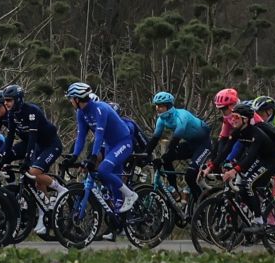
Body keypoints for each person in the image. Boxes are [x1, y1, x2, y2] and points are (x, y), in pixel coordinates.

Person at [66, 82, 136, 216]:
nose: (70, 101)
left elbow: (99, 134)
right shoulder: (80, 113)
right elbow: (81, 137)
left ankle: (130, 195)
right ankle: (118, 223)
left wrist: (93, 156)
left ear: (77, 98)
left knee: (103, 170)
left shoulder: (100, 108)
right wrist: (74, 156)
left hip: (123, 142)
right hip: (110, 145)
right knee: (113, 182)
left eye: (70, 98)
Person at [143, 91, 211, 194]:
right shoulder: (161, 119)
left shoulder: (181, 115)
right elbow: (155, 139)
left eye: (160, 106)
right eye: (156, 106)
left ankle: (201, 203)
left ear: (169, 106)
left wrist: (170, 151)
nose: (157, 108)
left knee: (190, 175)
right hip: (190, 144)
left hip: (203, 144)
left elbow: (176, 137)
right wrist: (145, 154)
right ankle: (174, 191)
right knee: (165, 159)